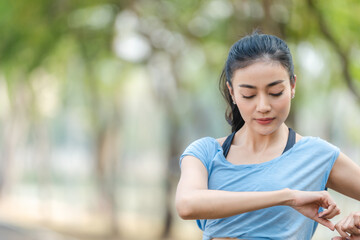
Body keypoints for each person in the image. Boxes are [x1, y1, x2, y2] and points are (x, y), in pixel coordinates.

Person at [175, 32, 360, 240]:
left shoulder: (317, 155)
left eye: (275, 93)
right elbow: (187, 204)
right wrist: (288, 197)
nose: (263, 106)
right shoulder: (205, 153)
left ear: (292, 86)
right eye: (249, 95)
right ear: (232, 93)